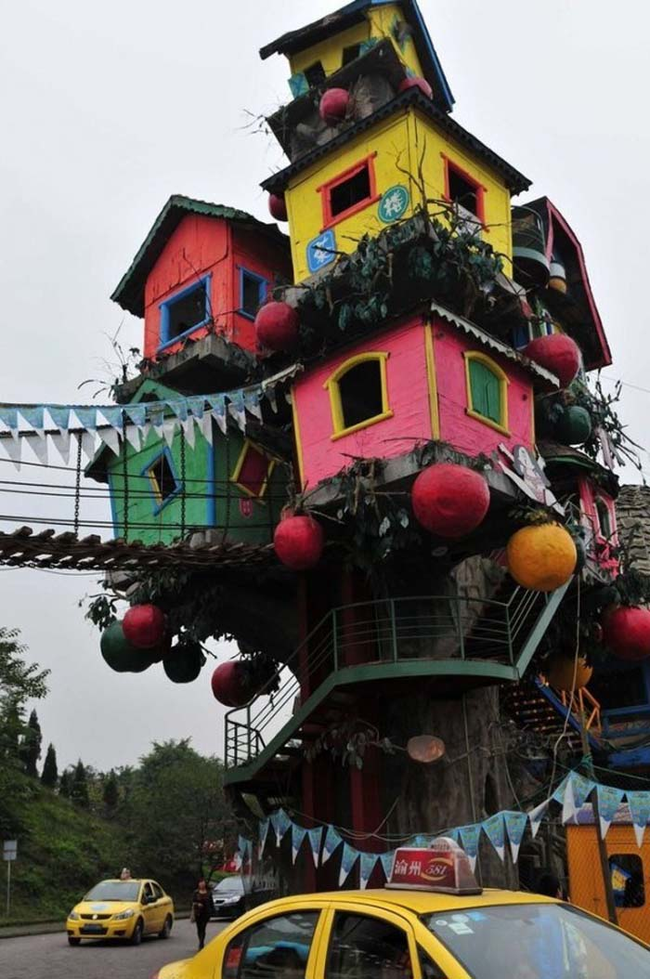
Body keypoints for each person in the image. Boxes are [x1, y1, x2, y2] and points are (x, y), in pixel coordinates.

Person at [192, 877, 215, 950]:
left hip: (206, 913)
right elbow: (193, 902)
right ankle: (200, 941)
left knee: (203, 927)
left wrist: (212, 912)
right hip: (198, 913)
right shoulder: (196, 893)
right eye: (200, 883)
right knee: (199, 928)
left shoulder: (209, 893)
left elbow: (211, 903)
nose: (202, 884)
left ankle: (201, 943)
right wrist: (197, 904)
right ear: (198, 884)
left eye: (203, 883)